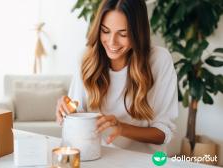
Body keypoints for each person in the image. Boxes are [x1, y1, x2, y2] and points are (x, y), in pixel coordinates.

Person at [56, 0, 178, 154]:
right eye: (105, 31)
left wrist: (121, 128)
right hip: (100, 157)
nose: (112, 42)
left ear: (138, 33)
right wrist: (66, 110)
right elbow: (77, 118)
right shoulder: (87, 59)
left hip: (145, 161)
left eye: (123, 34)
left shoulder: (159, 60)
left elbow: (163, 133)